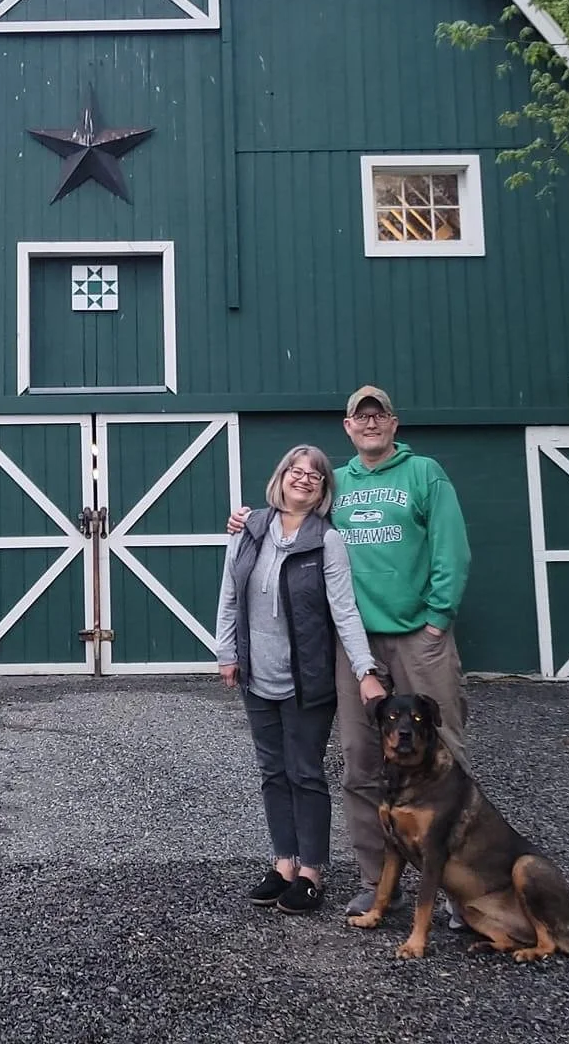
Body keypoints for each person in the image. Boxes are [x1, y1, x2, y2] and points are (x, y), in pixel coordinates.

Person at [227, 385, 471, 918]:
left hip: (417, 639)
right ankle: (375, 880)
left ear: (393, 422)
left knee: (442, 752)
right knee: (361, 763)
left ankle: (457, 888)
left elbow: (452, 548)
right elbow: (290, 531)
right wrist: (247, 525)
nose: (370, 423)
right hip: (352, 642)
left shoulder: (424, 474)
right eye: (361, 417)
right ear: (347, 427)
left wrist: (437, 619)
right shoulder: (340, 487)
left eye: (379, 415)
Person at [215, 444, 387, 915]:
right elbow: (230, 595)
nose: (305, 478)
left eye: (316, 474)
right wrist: (226, 652)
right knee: (272, 772)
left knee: (305, 773)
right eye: (296, 469)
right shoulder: (248, 529)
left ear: (324, 488)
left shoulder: (326, 540)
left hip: (307, 679)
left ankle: (312, 871)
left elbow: (344, 609)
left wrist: (365, 670)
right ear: (281, 476)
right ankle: (283, 863)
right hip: (256, 673)